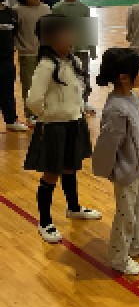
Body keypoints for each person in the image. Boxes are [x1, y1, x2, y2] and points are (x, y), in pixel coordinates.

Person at [24, 15, 101, 243]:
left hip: (74, 123)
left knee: (70, 168)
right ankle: (45, 221)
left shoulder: (73, 61)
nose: (71, 37)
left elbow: (78, 90)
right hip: (54, 127)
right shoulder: (46, 65)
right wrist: (49, 115)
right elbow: (33, 100)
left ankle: (73, 208)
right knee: (51, 174)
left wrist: (80, 109)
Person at [93, 48, 139, 275]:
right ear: (123, 77)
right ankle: (118, 257)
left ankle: (137, 244)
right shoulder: (116, 109)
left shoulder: (132, 98)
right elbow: (107, 145)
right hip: (125, 172)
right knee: (126, 215)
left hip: (138, 167)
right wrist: (109, 170)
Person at [52, 0, 95, 113]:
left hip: (82, 48)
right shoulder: (57, 8)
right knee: (65, 75)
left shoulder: (84, 8)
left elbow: (88, 28)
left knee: (83, 75)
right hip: (64, 49)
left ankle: (84, 101)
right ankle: (67, 102)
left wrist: (92, 49)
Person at [14, 0, 51, 124]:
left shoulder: (46, 9)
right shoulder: (17, 10)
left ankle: (45, 110)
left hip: (46, 53)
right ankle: (30, 114)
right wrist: (20, 47)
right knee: (29, 85)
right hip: (27, 54)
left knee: (47, 83)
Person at [0, 0, 28, 131]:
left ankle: (11, 120)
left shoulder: (11, 13)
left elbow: (15, 33)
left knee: (8, 91)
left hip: (6, 60)